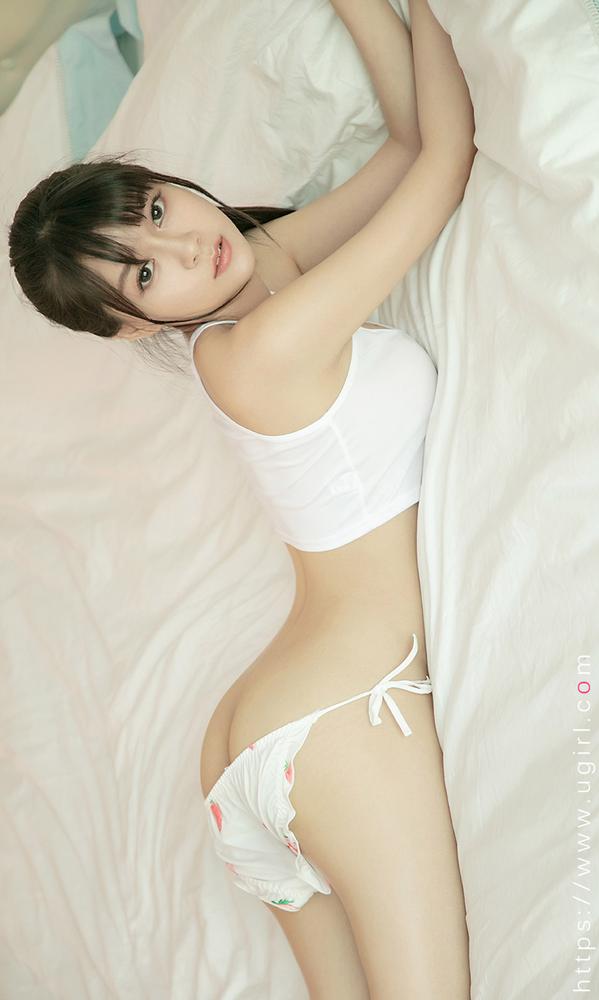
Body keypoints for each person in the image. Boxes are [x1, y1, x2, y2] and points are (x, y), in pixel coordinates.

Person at [8, 1, 476, 995]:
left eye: (152, 213)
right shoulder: (260, 348)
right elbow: (442, 168)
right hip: (337, 712)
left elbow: (405, 144)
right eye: (145, 272)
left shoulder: (257, 288)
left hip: (259, 735)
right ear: (135, 328)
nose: (184, 248)